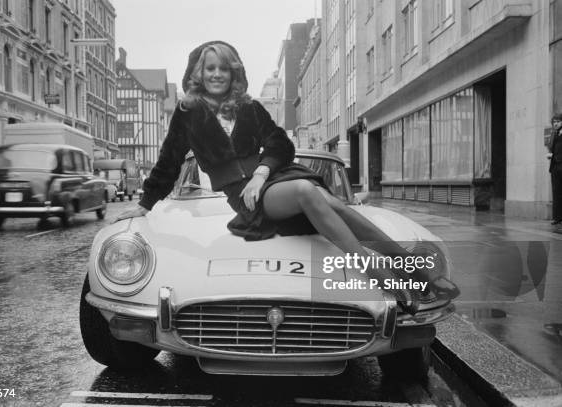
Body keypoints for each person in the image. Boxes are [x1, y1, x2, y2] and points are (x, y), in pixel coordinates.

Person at [116, 41, 459, 313]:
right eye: (210, 68)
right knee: (309, 193)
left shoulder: (248, 106)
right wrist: (145, 204)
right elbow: (169, 160)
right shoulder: (188, 112)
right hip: (249, 197)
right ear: (199, 72)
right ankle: (378, 272)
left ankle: (411, 271)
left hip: (275, 177)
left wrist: (261, 172)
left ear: (233, 72)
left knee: (330, 202)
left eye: (224, 67)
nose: (217, 74)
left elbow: (279, 142)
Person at [548, 112, 562, 225]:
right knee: (556, 192)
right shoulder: (553, 133)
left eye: (558, 122)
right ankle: (557, 217)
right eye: (554, 122)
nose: (555, 124)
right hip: (554, 167)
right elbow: (551, 148)